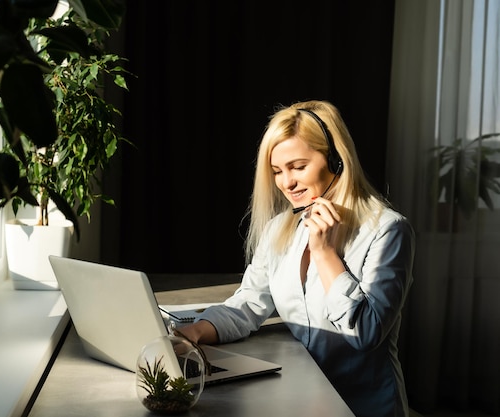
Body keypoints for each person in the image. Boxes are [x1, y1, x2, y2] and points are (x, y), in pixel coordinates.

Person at [178, 100, 415, 417]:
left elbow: (366, 332)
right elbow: (250, 300)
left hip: (361, 408)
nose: (286, 183)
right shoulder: (280, 228)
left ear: (336, 160)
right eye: (277, 171)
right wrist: (196, 330)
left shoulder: (388, 231)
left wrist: (324, 252)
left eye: (298, 167)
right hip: (296, 400)